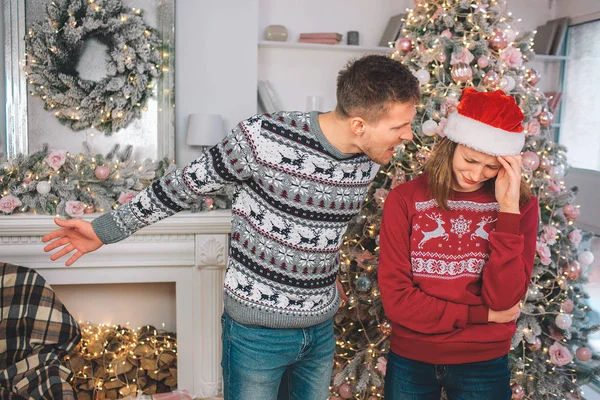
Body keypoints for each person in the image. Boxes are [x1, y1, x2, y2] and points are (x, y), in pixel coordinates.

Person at [42, 54, 420, 400]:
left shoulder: (369, 161)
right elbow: (182, 186)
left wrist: (323, 273)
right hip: (257, 334)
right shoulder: (262, 138)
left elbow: (323, 224)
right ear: (359, 124)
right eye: (400, 126)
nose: (408, 136)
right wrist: (104, 230)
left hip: (320, 329)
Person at [378, 88, 539, 400]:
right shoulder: (405, 199)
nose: (477, 174)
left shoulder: (520, 206)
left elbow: (504, 298)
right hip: (412, 357)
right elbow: (398, 302)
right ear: (450, 146)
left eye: (492, 167)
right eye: (470, 159)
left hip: (483, 360)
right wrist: (485, 316)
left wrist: (507, 212)